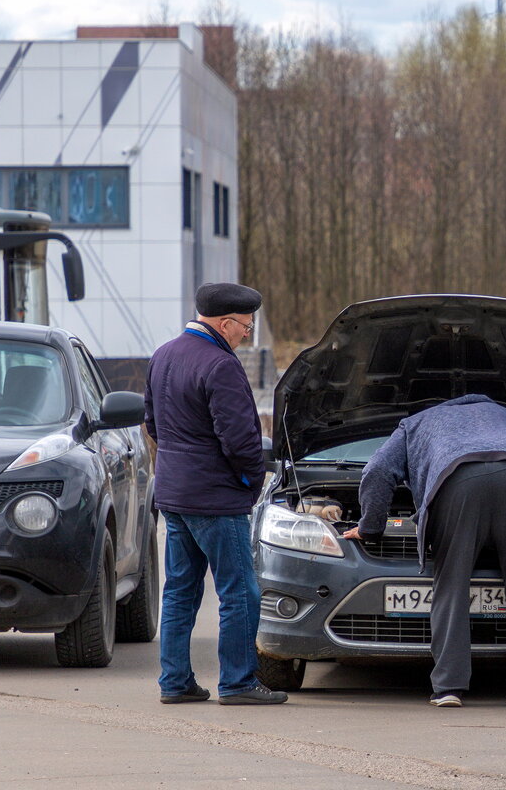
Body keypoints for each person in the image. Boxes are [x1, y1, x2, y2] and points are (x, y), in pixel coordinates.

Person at [343, 394, 506, 708]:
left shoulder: (416, 422)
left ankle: (448, 687)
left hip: (456, 479)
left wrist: (370, 528)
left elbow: (378, 470)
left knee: (451, 584)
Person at [144, 282, 286, 706]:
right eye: (245, 325)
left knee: (180, 591)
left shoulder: (163, 355)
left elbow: (152, 424)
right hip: (216, 498)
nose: (248, 333)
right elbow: (241, 441)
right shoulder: (220, 366)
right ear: (225, 323)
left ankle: (175, 682)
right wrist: (250, 481)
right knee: (240, 591)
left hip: (174, 494)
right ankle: (239, 682)